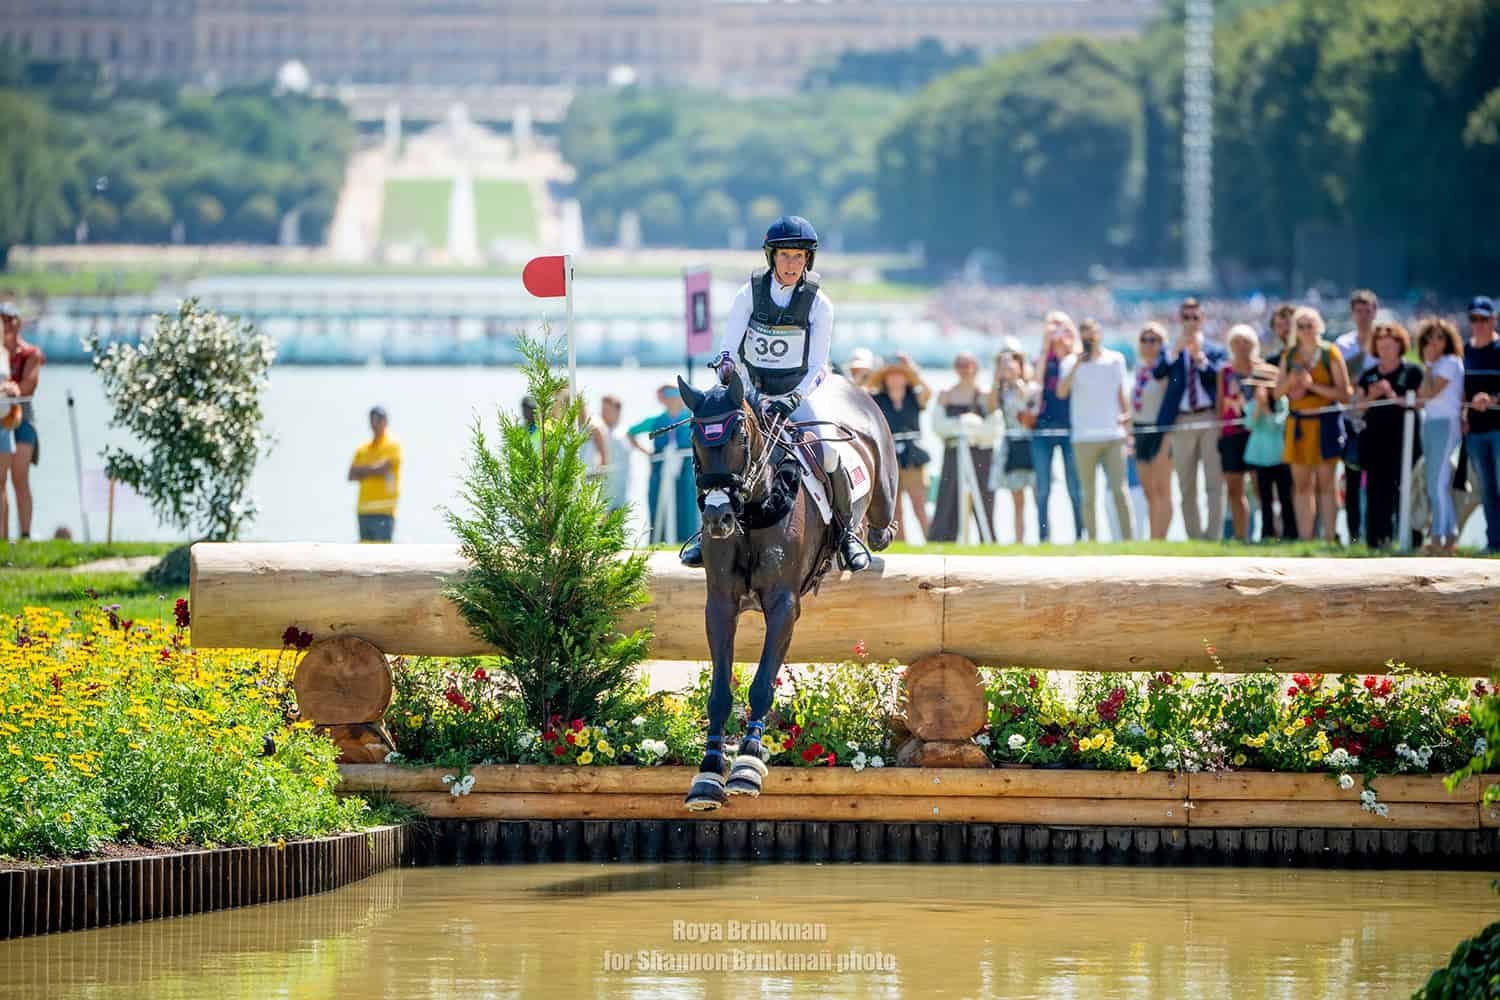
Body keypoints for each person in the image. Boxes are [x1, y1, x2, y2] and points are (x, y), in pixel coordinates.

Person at [1277, 306, 1352, 543]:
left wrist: (1311, 386)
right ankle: (1305, 539)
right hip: (1298, 424)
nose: (1306, 330)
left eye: (1310, 325)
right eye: (1301, 326)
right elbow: (1277, 391)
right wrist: (1292, 381)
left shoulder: (1330, 353)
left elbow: (1345, 393)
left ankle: (1330, 537)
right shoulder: (1289, 355)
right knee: (1301, 485)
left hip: (1325, 423)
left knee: (1326, 484)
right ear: (1295, 330)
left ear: (1319, 326)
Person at [1154, 298, 1227, 540]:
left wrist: (1200, 359)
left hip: (1208, 417)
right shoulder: (1171, 350)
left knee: (1214, 481)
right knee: (1186, 483)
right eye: (1186, 317)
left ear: (1202, 319)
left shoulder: (1214, 349)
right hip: (1182, 419)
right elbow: (1158, 372)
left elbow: (1220, 378)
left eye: (1195, 317)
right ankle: (1194, 537)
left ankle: (1213, 536)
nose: (1191, 322)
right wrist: (1176, 351)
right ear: (1180, 319)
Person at [1057, 318, 1132, 542]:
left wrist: (1128, 427)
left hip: (1113, 436)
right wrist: (1078, 364)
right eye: (1085, 334)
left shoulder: (1115, 359)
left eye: (1092, 333)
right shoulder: (1070, 362)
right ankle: (1093, 541)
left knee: (1120, 491)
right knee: (1088, 495)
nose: (1089, 338)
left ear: (1099, 334)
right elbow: (1061, 392)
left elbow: (1122, 395)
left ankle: (1129, 541)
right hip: (1084, 437)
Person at [1356, 319, 1423, 549]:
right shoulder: (1369, 374)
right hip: (1374, 443)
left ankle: (1412, 541)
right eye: (1381, 346)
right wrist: (1372, 396)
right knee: (1376, 492)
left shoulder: (1413, 371)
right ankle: (1377, 541)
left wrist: (1392, 395)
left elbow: (1420, 403)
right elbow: (1357, 408)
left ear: (1400, 345)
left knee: (1407, 489)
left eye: (1390, 346)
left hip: (1405, 442)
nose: (1385, 351)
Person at [929, 352, 998, 542]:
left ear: (975, 366)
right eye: (960, 364)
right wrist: (963, 427)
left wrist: (969, 430)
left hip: (981, 453)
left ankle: (988, 539)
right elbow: (938, 426)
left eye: (968, 364)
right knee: (948, 498)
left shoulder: (985, 395)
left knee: (984, 498)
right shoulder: (946, 394)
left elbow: (993, 428)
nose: (965, 369)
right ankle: (943, 539)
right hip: (953, 452)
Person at [1029, 312, 1085, 543]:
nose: (1058, 332)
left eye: (1063, 326)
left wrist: (1072, 346)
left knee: (1075, 486)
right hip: (1042, 428)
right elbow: (1037, 383)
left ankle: (1081, 535)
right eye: (1053, 327)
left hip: (1072, 427)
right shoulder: (1042, 358)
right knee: (1042, 488)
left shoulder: (1078, 358)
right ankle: (1044, 536)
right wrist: (1046, 347)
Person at [868, 354, 932, 542]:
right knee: (895, 508)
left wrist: (912, 368)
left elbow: (928, 392)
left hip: (913, 456)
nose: (896, 378)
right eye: (891, 375)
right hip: (889, 457)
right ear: (885, 379)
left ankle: (930, 539)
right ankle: (901, 543)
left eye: (900, 374)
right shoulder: (878, 399)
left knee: (919, 503)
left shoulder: (914, 397)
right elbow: (862, 393)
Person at [1334, 290, 1380, 543]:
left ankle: (1378, 534)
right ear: (1353, 314)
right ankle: (1353, 534)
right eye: (1359, 311)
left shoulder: (1384, 340)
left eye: (1368, 311)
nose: (1363, 316)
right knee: (1350, 479)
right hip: (1349, 418)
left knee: (1378, 480)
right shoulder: (1343, 344)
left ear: (1375, 312)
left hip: (1377, 419)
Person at [1417, 317, 1466, 553]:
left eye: (1439, 337)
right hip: (1430, 423)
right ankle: (1449, 532)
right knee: (1436, 481)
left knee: (1437, 482)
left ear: (1447, 340)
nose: (1434, 342)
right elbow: (1421, 396)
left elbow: (1431, 393)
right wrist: (1428, 367)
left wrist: (1427, 366)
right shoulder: (1434, 365)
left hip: (1446, 424)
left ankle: (1439, 534)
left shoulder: (1450, 362)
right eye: (1429, 337)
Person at [628, 385, 699, 547]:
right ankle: (658, 542)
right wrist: (647, 453)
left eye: (676, 394)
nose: (672, 399)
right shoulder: (656, 421)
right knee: (657, 504)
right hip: (660, 469)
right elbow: (631, 432)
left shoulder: (691, 418)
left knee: (687, 506)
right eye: (668, 395)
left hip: (686, 471)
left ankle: (688, 542)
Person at [1252, 305, 1297, 541]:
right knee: (1277, 487)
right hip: (1277, 430)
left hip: (1303, 423)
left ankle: (1302, 532)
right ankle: (1275, 532)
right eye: (1280, 325)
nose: (1285, 329)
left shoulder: (1308, 356)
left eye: (1289, 322)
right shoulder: (1272, 361)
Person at [1, 302, 43, 540]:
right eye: (2, 320)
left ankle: (25, 535)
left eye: (11, 319)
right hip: (0, 420)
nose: (7, 324)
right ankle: (3, 537)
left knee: (19, 477)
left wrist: (11, 389)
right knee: (0, 481)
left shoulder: (30, 353)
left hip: (22, 419)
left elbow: (29, 386)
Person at [1217, 325, 1263, 541]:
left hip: (1257, 433)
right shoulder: (1224, 372)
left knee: (1260, 487)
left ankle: (1268, 532)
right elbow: (1220, 405)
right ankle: (1241, 535)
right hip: (1231, 434)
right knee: (1235, 490)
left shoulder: (1262, 369)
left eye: (1245, 342)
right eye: (1236, 342)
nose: (1241, 346)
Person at [1462, 295, 1500, 553]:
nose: (1479, 324)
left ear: (1493, 319)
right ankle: (1494, 542)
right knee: (1487, 490)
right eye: (1474, 319)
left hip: (1499, 429)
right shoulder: (1465, 351)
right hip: (1475, 431)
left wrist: (1493, 399)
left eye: (1484, 319)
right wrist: (1464, 413)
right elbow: (1459, 390)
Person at [1130, 322, 1173, 539]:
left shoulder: (1164, 370)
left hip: (1160, 429)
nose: (1148, 344)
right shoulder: (1138, 368)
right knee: (1147, 489)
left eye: (1154, 340)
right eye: (1144, 339)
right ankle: (1153, 537)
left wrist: (1168, 435)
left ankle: (1161, 537)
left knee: (1162, 488)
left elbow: (1169, 403)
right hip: (1139, 429)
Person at [989, 349, 1036, 545]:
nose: (1007, 368)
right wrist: (996, 382)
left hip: (1032, 444)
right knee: (1017, 500)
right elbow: (990, 408)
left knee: (1038, 495)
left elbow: (1029, 406)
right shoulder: (1001, 391)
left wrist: (1018, 384)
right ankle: (1019, 541)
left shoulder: (1030, 387)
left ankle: (1043, 537)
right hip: (1011, 445)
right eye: (1003, 365)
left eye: (1011, 364)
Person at [346, 405, 401, 542]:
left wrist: (363, 470)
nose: (376, 423)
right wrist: (373, 469)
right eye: (374, 419)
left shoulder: (392, 446)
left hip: (384, 511)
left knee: (382, 556)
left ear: (386, 421)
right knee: (364, 556)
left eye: (379, 419)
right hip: (364, 510)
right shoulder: (362, 449)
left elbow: (383, 469)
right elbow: (351, 475)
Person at [597, 394, 632, 513]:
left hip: (619, 494)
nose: (603, 413)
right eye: (602, 410)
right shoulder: (602, 433)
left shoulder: (622, 434)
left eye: (607, 410)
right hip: (606, 495)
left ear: (617, 411)